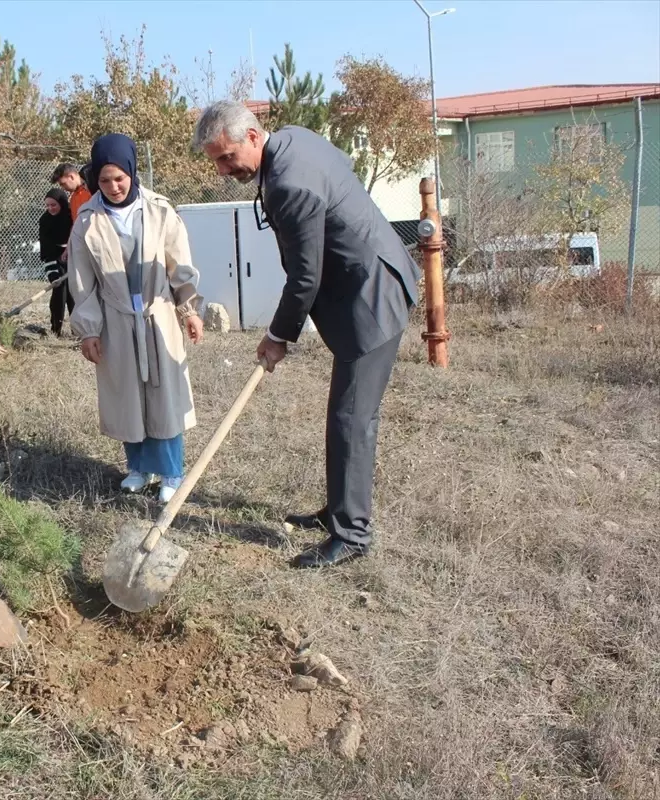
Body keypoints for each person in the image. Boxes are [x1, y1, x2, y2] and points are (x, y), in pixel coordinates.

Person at [192, 100, 422, 569]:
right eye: (216, 160)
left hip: (371, 297)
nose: (222, 169)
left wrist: (278, 337)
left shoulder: (288, 184)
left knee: (351, 419)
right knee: (345, 413)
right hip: (369, 280)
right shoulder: (294, 138)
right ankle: (339, 508)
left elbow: (304, 277)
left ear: (253, 137)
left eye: (226, 157)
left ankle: (352, 534)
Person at [69, 134, 204, 504]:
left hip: (157, 314)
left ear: (132, 171)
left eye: (120, 178)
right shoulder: (87, 220)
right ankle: (138, 469)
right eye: (105, 180)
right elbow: (83, 283)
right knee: (126, 394)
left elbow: (180, 264)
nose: (113, 187)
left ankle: (171, 472)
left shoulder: (159, 210)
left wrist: (189, 310)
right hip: (115, 318)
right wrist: (88, 331)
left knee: (164, 394)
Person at [38, 187, 74, 336]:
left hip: (74, 257)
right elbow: (46, 250)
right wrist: (52, 273)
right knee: (59, 293)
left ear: (62, 203)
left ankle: (78, 330)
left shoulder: (71, 216)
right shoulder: (45, 221)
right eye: (47, 205)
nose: (50, 208)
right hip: (56, 260)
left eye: (53, 205)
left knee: (74, 295)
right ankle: (56, 330)